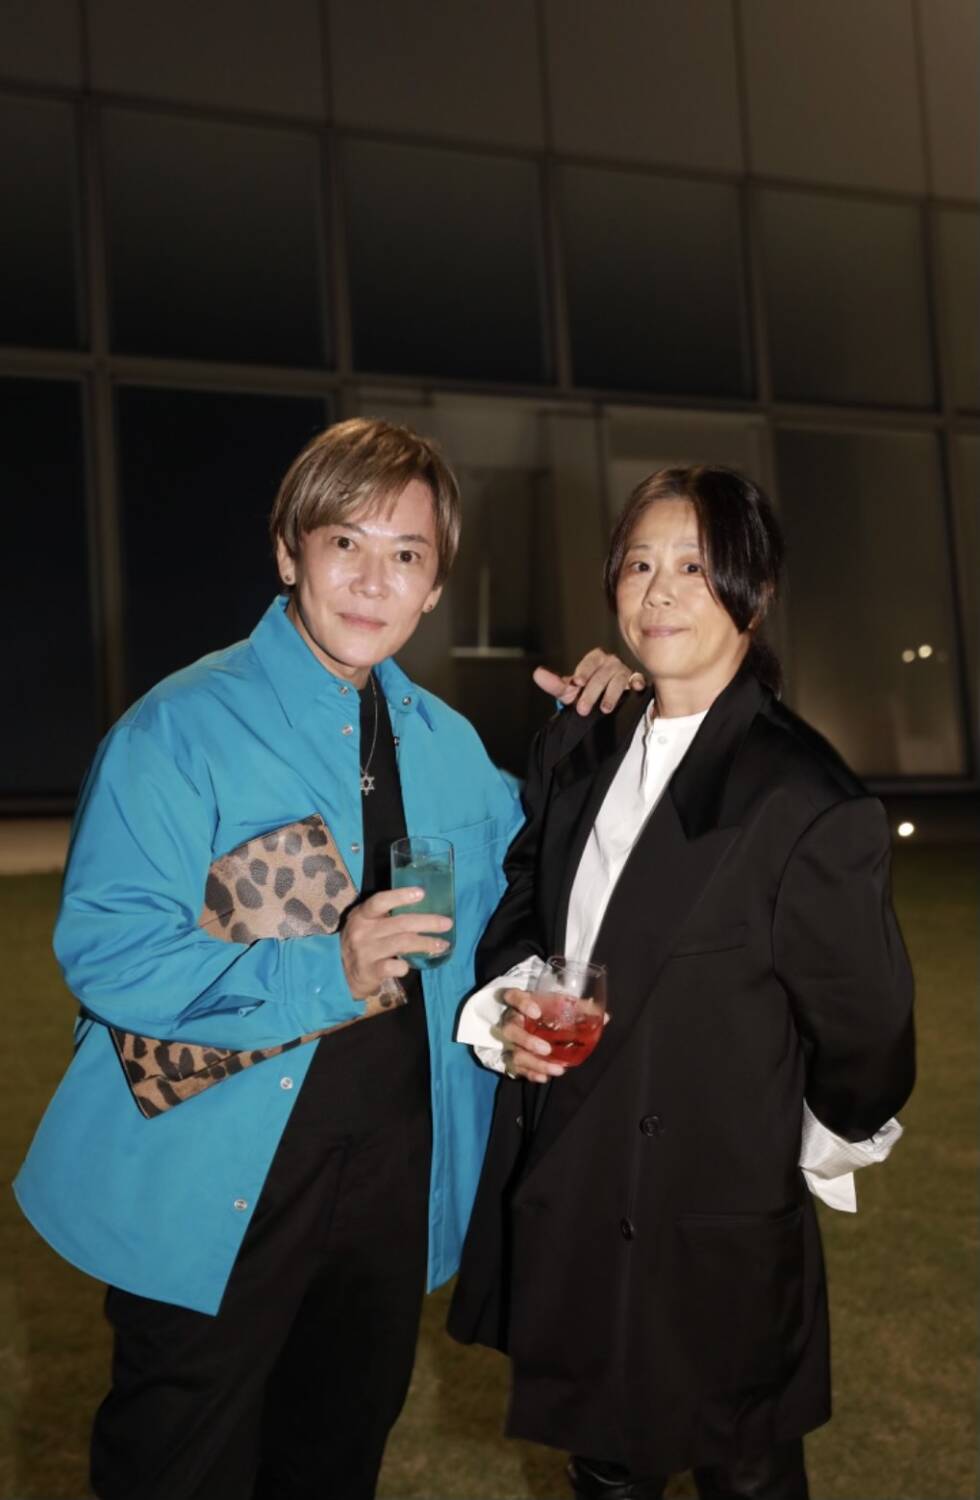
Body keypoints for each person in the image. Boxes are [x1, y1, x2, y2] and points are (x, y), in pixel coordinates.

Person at [13, 416, 640, 1500]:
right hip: (212, 1191)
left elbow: (533, 899)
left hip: (390, 1194)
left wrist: (614, 727)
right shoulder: (179, 730)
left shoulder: (450, 748)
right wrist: (325, 971)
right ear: (287, 551)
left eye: (406, 554)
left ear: (434, 588)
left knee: (334, 1467)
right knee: (175, 1471)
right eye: (344, 541)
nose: (371, 579)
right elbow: (111, 951)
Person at [450, 465, 916, 1500]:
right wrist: (516, 1003)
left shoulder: (804, 798)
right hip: (578, 1183)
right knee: (603, 1471)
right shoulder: (583, 741)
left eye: (694, 567)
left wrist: (794, 1142)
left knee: (744, 1473)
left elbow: (870, 1035)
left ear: (753, 588)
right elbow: (527, 892)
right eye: (637, 565)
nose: (657, 591)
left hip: (713, 1222)